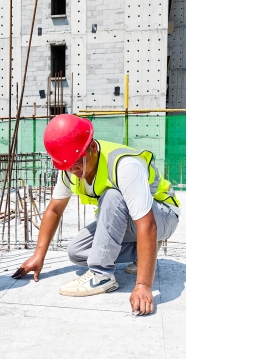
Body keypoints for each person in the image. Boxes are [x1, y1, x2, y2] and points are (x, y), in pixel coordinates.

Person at [12, 113, 180, 315]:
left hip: (162, 216)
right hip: (135, 223)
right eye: (67, 165)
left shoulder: (124, 165)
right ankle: (143, 250)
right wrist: (38, 255)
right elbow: (55, 209)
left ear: (91, 147)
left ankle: (102, 275)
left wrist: (143, 285)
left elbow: (148, 225)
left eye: (77, 162)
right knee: (77, 251)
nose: (73, 170)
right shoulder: (69, 168)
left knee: (111, 196)